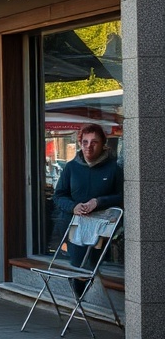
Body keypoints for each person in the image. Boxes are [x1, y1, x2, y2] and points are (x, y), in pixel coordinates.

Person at [52, 124, 123, 296]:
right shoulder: (71, 168)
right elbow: (58, 196)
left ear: (103, 144)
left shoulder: (114, 168)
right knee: (77, 270)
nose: (88, 147)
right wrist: (73, 207)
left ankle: (82, 304)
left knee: (91, 269)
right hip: (74, 228)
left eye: (94, 142)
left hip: (101, 229)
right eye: (85, 142)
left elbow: (123, 197)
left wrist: (98, 202)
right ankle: (79, 303)